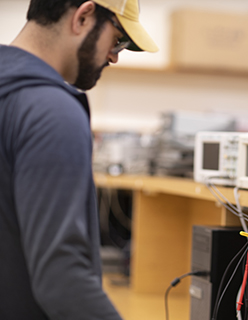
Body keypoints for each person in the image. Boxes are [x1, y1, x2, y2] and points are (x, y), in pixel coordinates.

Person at [0, 0, 157, 318]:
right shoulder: (51, 111)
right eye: (118, 40)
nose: (114, 55)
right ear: (83, 17)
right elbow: (62, 279)